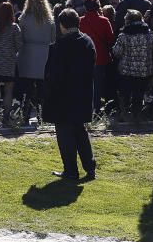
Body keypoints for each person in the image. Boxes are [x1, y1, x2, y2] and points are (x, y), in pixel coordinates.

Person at [43, 9, 97, 181]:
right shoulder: (88, 41)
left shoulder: (61, 46)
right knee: (80, 132)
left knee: (65, 135)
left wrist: (47, 93)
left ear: (62, 25)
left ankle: (71, 170)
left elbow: (54, 75)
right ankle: (90, 167)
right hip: (82, 94)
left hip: (64, 97)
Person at [17, 0, 56, 122]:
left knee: (27, 88)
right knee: (41, 88)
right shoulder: (49, 19)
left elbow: (19, 37)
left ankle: (25, 115)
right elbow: (53, 38)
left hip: (27, 53)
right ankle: (42, 116)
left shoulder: (24, 18)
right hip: (44, 54)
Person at [112, 9, 153, 122]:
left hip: (126, 71)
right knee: (139, 93)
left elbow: (117, 52)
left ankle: (125, 113)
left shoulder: (123, 35)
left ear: (128, 21)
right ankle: (137, 114)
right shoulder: (149, 34)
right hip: (144, 70)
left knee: (126, 93)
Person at [78, 0, 114, 112]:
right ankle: (96, 109)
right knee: (98, 85)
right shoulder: (104, 21)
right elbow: (110, 39)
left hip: (84, 58)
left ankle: (85, 108)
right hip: (101, 57)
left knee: (84, 84)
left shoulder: (80, 21)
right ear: (98, 6)